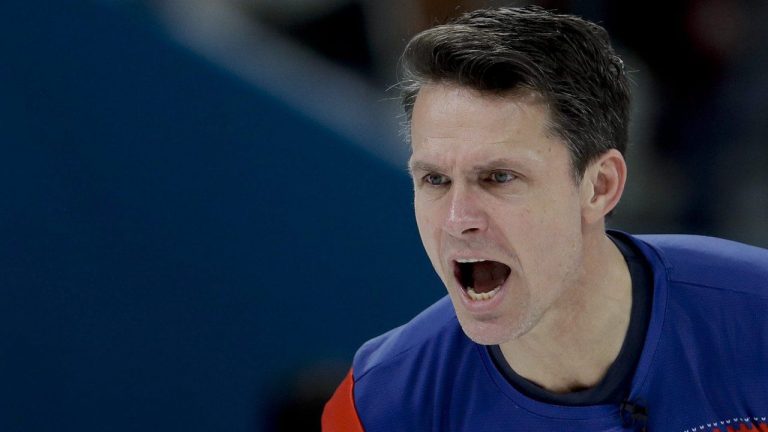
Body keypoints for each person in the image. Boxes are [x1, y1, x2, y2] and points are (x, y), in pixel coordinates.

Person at [322, 6, 768, 432]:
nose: (458, 219)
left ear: (600, 187)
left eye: (499, 177)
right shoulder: (379, 407)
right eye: (435, 179)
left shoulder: (756, 320)